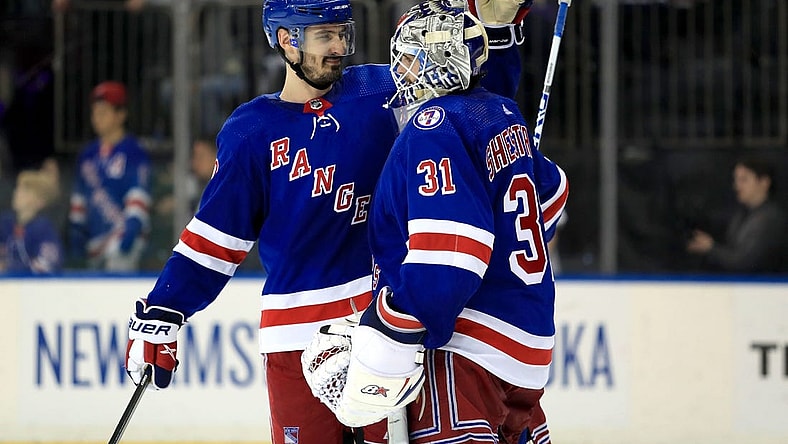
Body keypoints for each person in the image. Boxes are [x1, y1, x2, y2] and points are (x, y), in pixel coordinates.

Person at [123, 0, 532, 443]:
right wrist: (163, 313)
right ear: (286, 41)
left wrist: (496, 32)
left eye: (342, 34)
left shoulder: (383, 92)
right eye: (324, 36)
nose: (338, 47)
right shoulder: (251, 132)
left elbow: (473, 103)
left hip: (381, 335)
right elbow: (213, 240)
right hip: (294, 340)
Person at [302, 2, 567, 443]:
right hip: (526, 349)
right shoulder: (501, 113)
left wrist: (391, 324)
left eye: (408, 56)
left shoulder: (434, 126)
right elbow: (552, 197)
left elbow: (452, 256)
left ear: (438, 61)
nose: (399, 69)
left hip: (466, 350)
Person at [68, 81, 151, 271]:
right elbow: (79, 199)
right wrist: (76, 231)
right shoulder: (87, 154)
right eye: (94, 112)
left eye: (103, 112)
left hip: (123, 240)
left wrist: (129, 233)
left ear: (121, 114)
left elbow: (138, 199)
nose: (97, 118)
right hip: (94, 242)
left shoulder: (134, 152)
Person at [686, 156, 787, 274]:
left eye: (744, 179)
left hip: (762, 289)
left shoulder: (770, 219)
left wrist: (711, 248)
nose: (737, 186)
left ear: (764, 182)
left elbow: (745, 263)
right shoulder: (741, 215)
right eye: (736, 180)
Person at [0, 169, 63, 274]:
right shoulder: (5, 223)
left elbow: (47, 264)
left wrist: (9, 268)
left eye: (24, 190)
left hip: (34, 288)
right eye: (18, 188)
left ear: (39, 201)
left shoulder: (43, 229)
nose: (16, 193)